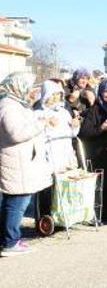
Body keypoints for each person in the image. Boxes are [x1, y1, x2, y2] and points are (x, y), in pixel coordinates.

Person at [0, 72, 53, 257]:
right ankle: (10, 242)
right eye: (29, 87)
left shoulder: (17, 104)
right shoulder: (9, 106)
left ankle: (8, 239)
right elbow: (16, 134)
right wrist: (42, 124)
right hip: (16, 163)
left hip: (20, 161)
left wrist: (38, 121)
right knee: (17, 203)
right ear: (17, 86)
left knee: (12, 202)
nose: (32, 92)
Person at [79, 78, 107, 221]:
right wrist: (101, 129)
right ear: (100, 93)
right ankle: (98, 214)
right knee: (100, 185)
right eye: (106, 91)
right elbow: (84, 133)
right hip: (99, 154)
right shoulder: (95, 110)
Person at [34, 80, 80, 173]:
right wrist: (46, 124)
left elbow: (72, 134)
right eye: (52, 94)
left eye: (58, 94)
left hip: (67, 154)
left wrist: (75, 126)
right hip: (50, 155)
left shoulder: (64, 112)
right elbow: (36, 137)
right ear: (46, 95)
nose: (55, 98)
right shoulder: (38, 113)